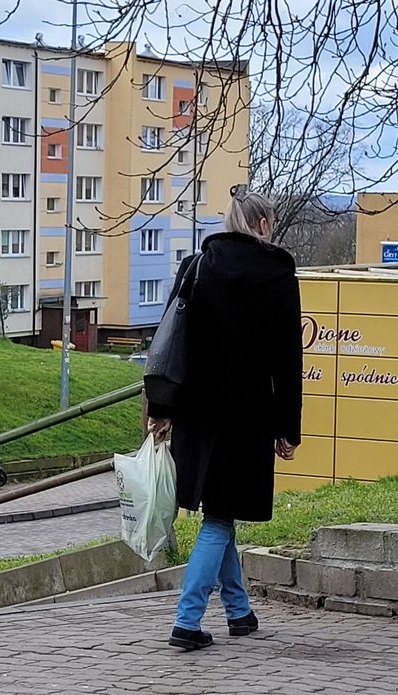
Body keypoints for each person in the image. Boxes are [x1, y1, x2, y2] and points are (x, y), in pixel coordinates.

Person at [148, 187, 302, 651]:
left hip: (197, 413)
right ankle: (187, 620)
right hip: (247, 416)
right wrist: (287, 428)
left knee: (220, 511)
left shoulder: (197, 266)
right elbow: (287, 360)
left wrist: (162, 409)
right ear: (261, 223)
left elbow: (171, 343)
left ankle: (239, 612)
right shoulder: (278, 273)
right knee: (218, 519)